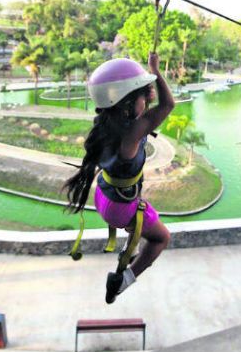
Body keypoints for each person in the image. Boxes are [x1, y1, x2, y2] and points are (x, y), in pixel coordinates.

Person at [62, 52, 174, 304]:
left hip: (104, 196)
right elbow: (168, 106)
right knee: (161, 238)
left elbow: (151, 106)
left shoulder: (104, 124)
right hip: (121, 207)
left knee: (141, 223)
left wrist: (144, 89)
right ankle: (123, 281)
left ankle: (130, 246)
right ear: (126, 104)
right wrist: (155, 70)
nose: (146, 100)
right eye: (142, 97)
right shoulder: (132, 132)